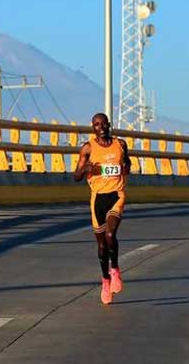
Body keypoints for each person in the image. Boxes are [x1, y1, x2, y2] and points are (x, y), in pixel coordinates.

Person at [74, 113, 131, 305]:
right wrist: (86, 168)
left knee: (110, 235)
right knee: (101, 245)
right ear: (93, 127)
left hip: (116, 194)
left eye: (103, 123)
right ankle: (105, 279)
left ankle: (115, 269)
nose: (101, 126)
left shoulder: (120, 144)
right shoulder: (88, 148)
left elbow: (127, 165)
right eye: (97, 124)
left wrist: (124, 167)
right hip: (97, 198)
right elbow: (76, 176)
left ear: (108, 124)